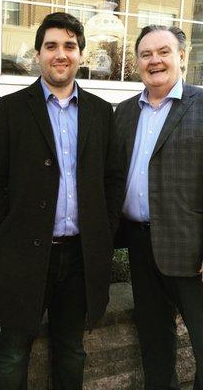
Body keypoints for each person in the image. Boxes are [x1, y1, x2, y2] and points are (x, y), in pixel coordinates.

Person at [0, 12, 124, 390]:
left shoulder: (100, 112)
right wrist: (4, 235)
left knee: (71, 348)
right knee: (13, 349)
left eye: (70, 46)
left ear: (80, 55)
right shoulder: (11, 109)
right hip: (25, 253)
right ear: (39, 53)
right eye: (52, 46)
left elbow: (112, 179)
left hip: (79, 256)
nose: (61, 54)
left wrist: (104, 231)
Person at [115, 25, 203, 390]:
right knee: (154, 342)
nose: (155, 61)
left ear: (182, 56)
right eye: (146, 54)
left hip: (191, 251)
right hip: (139, 244)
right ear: (137, 62)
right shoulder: (123, 112)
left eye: (163, 52)